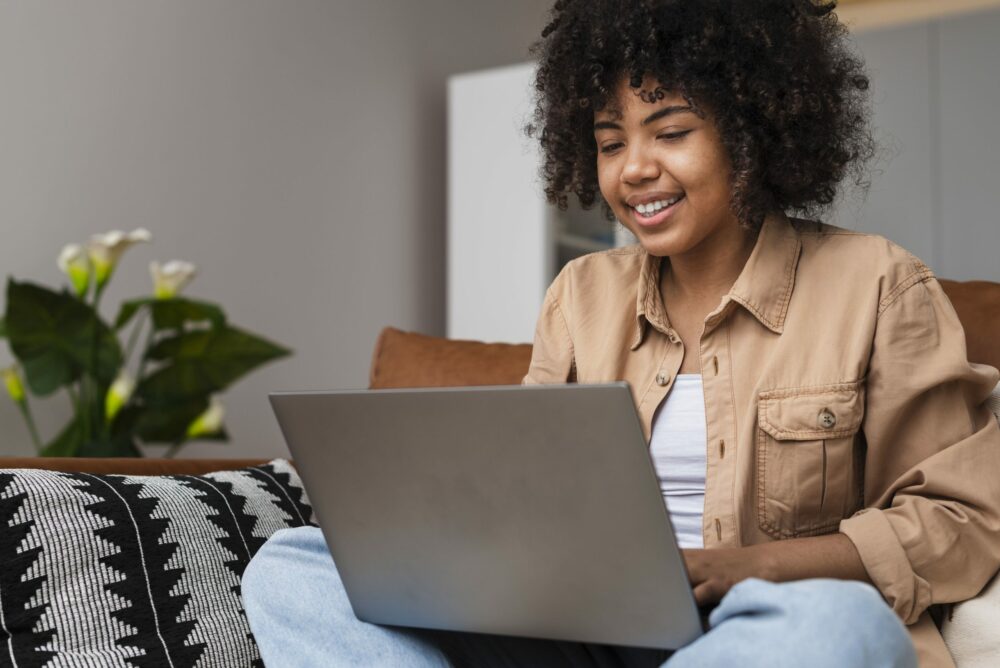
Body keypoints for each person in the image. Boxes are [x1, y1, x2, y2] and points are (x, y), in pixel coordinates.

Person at [242, 1, 1000, 666]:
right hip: (584, 632)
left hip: (766, 623)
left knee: (837, 624)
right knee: (294, 565)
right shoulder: (580, 295)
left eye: (669, 132)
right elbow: (520, 492)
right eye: (610, 143)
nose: (634, 168)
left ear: (752, 135)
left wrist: (748, 569)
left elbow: (958, 523)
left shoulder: (877, 283)